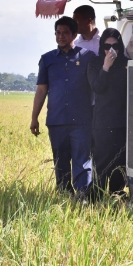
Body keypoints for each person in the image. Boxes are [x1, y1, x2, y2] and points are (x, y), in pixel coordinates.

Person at [30, 16, 95, 199]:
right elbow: (42, 90)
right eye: (58, 33)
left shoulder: (88, 57)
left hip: (82, 121)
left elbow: (97, 86)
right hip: (57, 120)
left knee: (82, 161)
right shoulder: (47, 59)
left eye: (65, 33)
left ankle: (83, 197)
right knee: (61, 162)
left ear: (74, 34)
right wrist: (34, 118)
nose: (61, 36)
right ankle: (65, 196)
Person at [87, 28, 128, 196]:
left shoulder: (126, 63)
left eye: (115, 46)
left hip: (123, 121)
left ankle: (116, 194)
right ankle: (95, 196)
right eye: (107, 46)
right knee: (102, 162)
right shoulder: (95, 64)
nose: (111, 50)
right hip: (103, 122)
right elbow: (97, 87)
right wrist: (105, 67)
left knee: (120, 163)